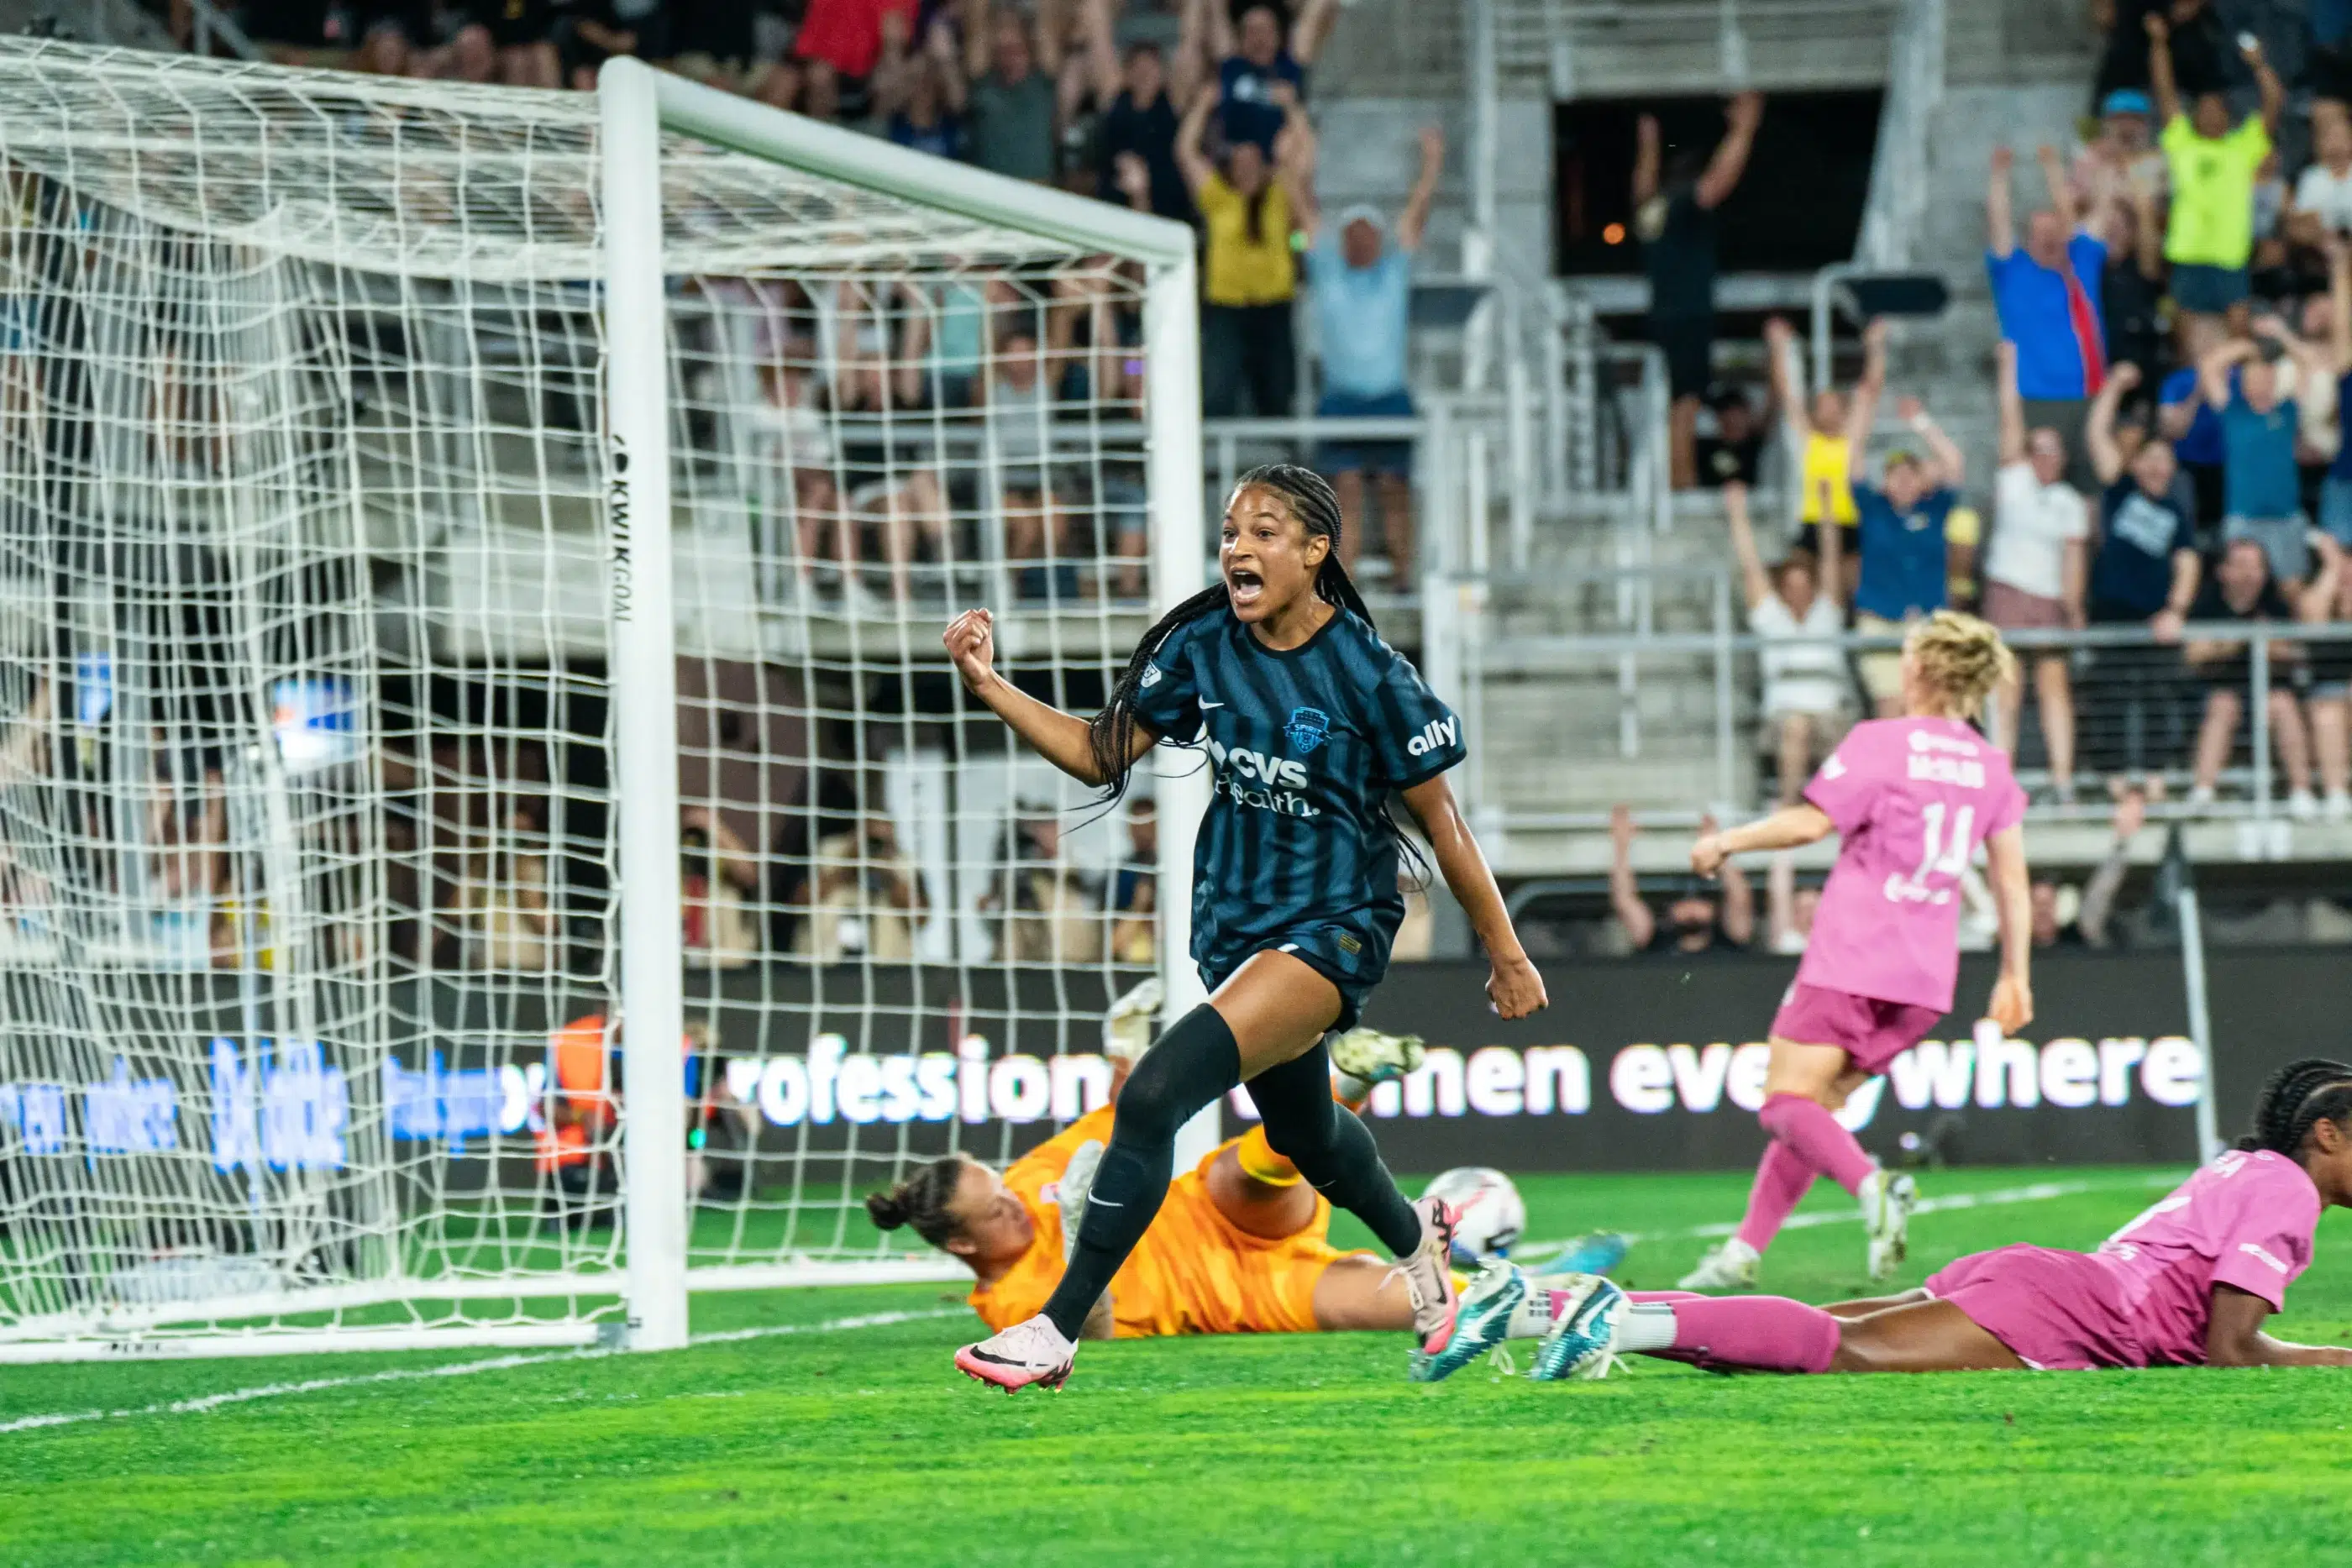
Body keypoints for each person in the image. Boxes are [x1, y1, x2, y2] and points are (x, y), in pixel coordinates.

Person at [938, 461, 1546, 1391]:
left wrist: (1504, 950)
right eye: (1230, 530)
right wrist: (989, 684)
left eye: (1264, 530)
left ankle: (1052, 1331)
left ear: (1315, 551)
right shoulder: (1204, 647)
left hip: (1332, 928)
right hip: (1236, 927)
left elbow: (1443, 823)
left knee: (1148, 1100)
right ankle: (1417, 1243)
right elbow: (1100, 753)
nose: (1238, 546)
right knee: (1307, 1138)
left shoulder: (1371, 675)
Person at [1526, 1057, 2352, 1380]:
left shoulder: (2247, 1164)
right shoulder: (2285, 1190)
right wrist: (2337, 1357)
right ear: (2325, 1134)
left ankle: (1562, 1308)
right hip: (2069, 1305)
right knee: (1839, 1351)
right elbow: (2230, 1348)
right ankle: (1611, 1326)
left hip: (2050, 1279)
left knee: (1817, 1322)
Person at [1674, 611, 2034, 1293]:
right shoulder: (1991, 767)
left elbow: (1812, 822)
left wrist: (1728, 843)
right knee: (1814, 1114)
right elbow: (2011, 879)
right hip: (1926, 978)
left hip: (1854, 957)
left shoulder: (1883, 743)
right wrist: (2015, 973)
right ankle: (1743, 1252)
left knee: (1782, 1104)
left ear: (1923, 669)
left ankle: (1875, 1187)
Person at [879, 1012, 1567, 1346]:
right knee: (1422, 1304)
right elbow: (1097, 1322)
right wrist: (1075, 1233)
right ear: (965, 1246)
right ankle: (1563, 1299)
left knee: (1250, 1170)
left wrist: (1123, 1046)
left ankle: (1345, 1083)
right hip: (1244, 1294)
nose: (1014, 1203)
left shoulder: (1032, 1177)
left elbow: (1122, 1118)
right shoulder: (1004, 1304)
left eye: (1000, 1187)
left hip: (1217, 1214)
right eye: (995, 1212)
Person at [1302, 124, 1443, 590]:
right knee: (1343, 494)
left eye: (1367, 232)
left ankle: (1406, 575)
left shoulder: (1393, 272)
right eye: (1351, 233)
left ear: (1378, 240)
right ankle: (1346, 584)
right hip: (1341, 399)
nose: (1359, 239)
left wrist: (1431, 165)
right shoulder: (1329, 272)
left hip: (1389, 398)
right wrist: (1293, 162)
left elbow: (1416, 215)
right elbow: (1302, 212)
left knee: (1394, 489)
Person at [1634, 92, 1765, 490]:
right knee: (1687, 402)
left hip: (1666, 314)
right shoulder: (1685, 207)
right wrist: (1745, 129)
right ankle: (1682, 482)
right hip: (1688, 314)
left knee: (1679, 402)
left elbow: (1641, 187)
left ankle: (1679, 479)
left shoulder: (1653, 211)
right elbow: (1720, 180)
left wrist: (1648, 144)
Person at [2083, 362, 2201, 790]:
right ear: (2136, 463)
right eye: (2149, 459)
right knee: (2110, 693)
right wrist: (2113, 387)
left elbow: (2188, 562)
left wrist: (2176, 610)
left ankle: (2155, 773)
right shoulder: (2119, 489)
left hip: (2154, 617)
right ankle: (2113, 775)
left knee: (2157, 693)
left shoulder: (2176, 512)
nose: (2156, 467)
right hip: (2111, 610)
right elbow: (2096, 434)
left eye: (2163, 461)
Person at [1844, 320, 1967, 716]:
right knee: (1890, 707)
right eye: (1894, 474)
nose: (1902, 480)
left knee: (1929, 709)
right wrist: (1868, 394)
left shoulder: (1935, 509)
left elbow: (1954, 464)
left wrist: (1921, 422)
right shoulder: (1873, 507)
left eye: (1910, 473)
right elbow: (1854, 455)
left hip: (1927, 618)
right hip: (1881, 617)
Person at [1985, 340, 2090, 801]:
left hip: (2047, 596)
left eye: (2054, 451)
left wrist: (2073, 606)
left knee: (2053, 688)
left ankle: (2062, 778)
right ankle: (1999, 779)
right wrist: (2009, 369)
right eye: (2039, 449)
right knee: (2005, 692)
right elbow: (2010, 420)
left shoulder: (2069, 502)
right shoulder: (2013, 482)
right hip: (2008, 590)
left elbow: (2073, 559)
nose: (2046, 457)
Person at [1179, 81, 1312, 418]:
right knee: (1218, 392)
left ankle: (1282, 467)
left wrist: (1291, 108)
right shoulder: (1218, 198)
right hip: (1227, 307)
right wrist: (1202, 105)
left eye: (1253, 160)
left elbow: (1306, 153)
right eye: (1239, 162)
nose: (1247, 167)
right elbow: (1184, 152)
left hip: (1274, 305)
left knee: (1278, 393)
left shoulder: (1279, 194)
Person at [2150, 16, 2283, 350]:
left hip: (2229, 258)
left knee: (2239, 336)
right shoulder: (2183, 144)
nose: (2210, 114)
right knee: (2186, 342)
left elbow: (2274, 103)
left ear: (2227, 116)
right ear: (2195, 116)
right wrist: (2158, 44)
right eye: (2204, 109)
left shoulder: (2241, 147)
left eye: (2217, 109)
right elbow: (2165, 93)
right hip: (2188, 256)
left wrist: (2259, 64)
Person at [1987, 144, 2108, 491]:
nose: (2048, 237)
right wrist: (1999, 176)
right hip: (2032, 395)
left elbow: (2094, 210)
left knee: (2088, 489)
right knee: (2027, 487)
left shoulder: (2082, 263)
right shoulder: (2012, 271)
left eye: (2054, 231)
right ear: (2028, 240)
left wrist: (2060, 170)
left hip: (2087, 393)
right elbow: (1998, 222)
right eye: (2039, 233)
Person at [1725, 481, 1849, 805]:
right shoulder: (1771, 618)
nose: (1798, 592)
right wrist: (1738, 514)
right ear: (1782, 589)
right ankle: (1789, 805)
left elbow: (1831, 560)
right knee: (1795, 729)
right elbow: (1750, 566)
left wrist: (1826, 512)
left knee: (1836, 737)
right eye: (1791, 586)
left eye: (1804, 584)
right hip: (1783, 717)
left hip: (1830, 713)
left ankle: (1838, 810)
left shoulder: (1826, 614)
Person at [2184, 538, 2313, 813]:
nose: (2249, 574)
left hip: (2268, 693)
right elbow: (2194, 653)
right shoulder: (2207, 605)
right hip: (2221, 695)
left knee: (2282, 704)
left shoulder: (2276, 605)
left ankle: (2301, 792)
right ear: (2223, 571)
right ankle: (2203, 791)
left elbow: (2292, 653)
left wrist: (2270, 646)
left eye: (2256, 566)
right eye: (2241, 565)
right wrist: (2233, 642)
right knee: (2223, 705)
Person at [2202, 317, 2326, 593]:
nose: (2259, 380)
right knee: (2239, 590)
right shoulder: (2232, 412)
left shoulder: (2288, 410)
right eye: (2252, 375)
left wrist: (2280, 332)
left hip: (2286, 518)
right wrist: (2248, 347)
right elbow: (2210, 366)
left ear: (2273, 379)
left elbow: (2308, 361)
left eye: (2265, 374)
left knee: (2292, 592)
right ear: (2243, 382)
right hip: (2243, 519)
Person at [1762, 316, 1857, 592]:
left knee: (1848, 585)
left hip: (1847, 521)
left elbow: (1868, 392)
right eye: (1821, 406)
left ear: (1843, 411)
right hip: (1811, 521)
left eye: (1832, 406)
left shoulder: (1852, 442)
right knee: (1798, 580)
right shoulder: (1808, 441)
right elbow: (1788, 397)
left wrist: (1876, 347)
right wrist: (1780, 349)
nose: (1826, 412)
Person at [1086, 0, 1201, 223]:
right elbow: (1098, 35)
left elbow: (1191, 41)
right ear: (1127, 73)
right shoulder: (1116, 100)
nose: (1144, 72)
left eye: (1151, 66)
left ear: (1163, 73)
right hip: (1118, 209)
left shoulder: (1172, 102)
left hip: (1166, 209)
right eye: (1137, 66)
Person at [1608, 804, 1752, 954]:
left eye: (1698, 902)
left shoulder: (1730, 942)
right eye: (1683, 903)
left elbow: (1740, 897)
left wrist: (1717, 850)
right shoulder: (1655, 943)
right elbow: (1625, 900)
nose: (1691, 911)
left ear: (1712, 909)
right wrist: (1621, 845)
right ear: (1671, 910)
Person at [1210, 0, 1339, 154]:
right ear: (1240, 39)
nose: (1259, 38)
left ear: (1278, 36)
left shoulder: (1289, 67)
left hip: (1282, 168)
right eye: (1252, 31)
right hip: (1236, 164)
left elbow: (1316, 12)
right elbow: (1216, 10)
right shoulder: (1232, 67)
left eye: (1266, 30)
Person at [963, 0, 1062, 184]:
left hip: (1037, 188)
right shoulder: (984, 84)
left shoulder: (1042, 82)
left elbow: (1046, 27)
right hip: (989, 190)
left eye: (1017, 50)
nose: (1007, 41)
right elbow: (977, 27)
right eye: (1004, 51)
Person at [2302, 534, 2352, 820]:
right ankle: (2336, 795)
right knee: (2328, 713)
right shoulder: (2318, 599)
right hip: (2322, 702)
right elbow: (2314, 623)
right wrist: (2332, 571)